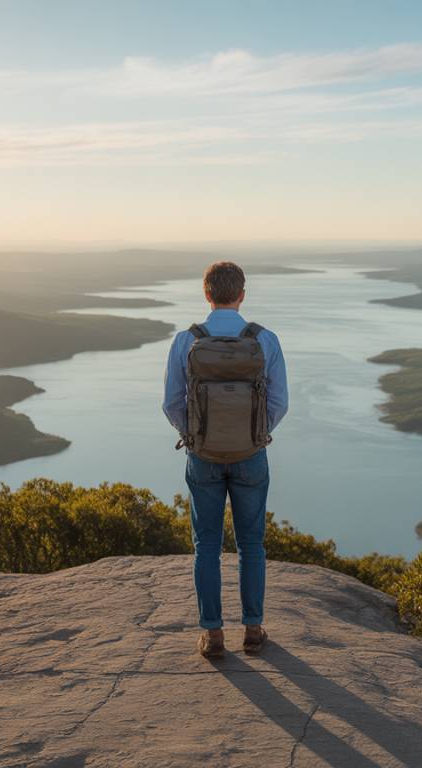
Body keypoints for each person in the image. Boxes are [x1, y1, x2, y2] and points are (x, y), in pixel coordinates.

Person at [163, 261, 288, 659]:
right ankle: (253, 628)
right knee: (252, 544)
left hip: (203, 457)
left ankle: (212, 634)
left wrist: (194, 436)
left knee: (207, 546)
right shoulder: (263, 340)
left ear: (206, 294)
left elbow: (171, 403)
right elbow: (280, 403)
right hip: (252, 455)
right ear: (242, 295)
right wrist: (255, 434)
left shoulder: (187, 341)